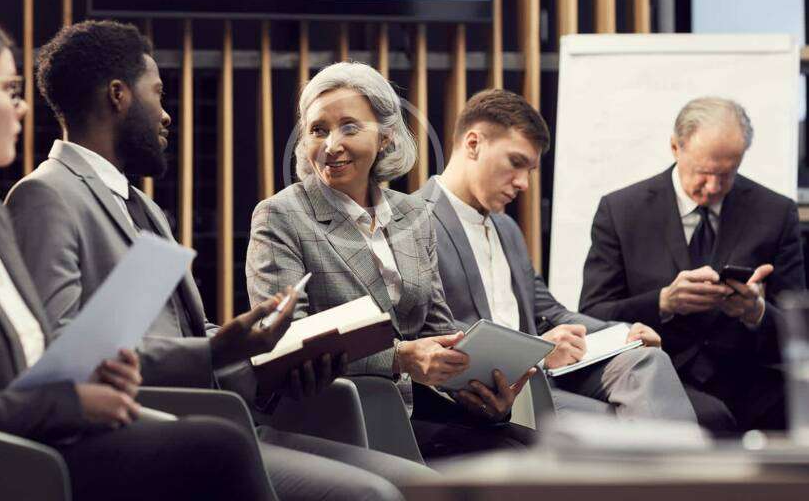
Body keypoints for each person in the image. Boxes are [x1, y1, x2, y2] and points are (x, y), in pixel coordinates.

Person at [6, 20, 429, 500]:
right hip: (149, 430)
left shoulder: (141, 205)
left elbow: (184, 334)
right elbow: (60, 353)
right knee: (371, 495)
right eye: (157, 94)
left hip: (222, 418)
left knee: (412, 487)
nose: (166, 114)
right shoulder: (46, 194)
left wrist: (271, 356)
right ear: (119, 95)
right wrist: (217, 349)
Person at [0, 9, 276, 501]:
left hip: (50, 432)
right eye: (9, 90)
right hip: (12, 458)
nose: (22, 109)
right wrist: (69, 403)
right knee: (221, 447)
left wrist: (98, 372)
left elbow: (32, 354)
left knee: (222, 444)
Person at [246, 62, 536, 459]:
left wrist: (479, 390)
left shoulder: (412, 216)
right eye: (318, 130)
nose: (331, 144)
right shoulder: (281, 215)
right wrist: (400, 358)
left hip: (416, 412)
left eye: (349, 127)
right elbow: (285, 343)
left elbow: (438, 328)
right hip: (339, 418)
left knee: (537, 451)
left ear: (385, 137)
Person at [418, 89, 698, 425]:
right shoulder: (415, 221)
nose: (524, 183)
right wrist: (537, 349)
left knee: (647, 359)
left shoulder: (507, 228)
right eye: (516, 163)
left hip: (541, 378)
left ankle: (672, 457)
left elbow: (549, 311)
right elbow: (428, 330)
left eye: (530, 170)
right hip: (484, 393)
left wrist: (624, 333)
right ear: (473, 144)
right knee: (624, 424)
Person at [579, 97, 806, 433]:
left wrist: (756, 312)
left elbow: (798, 327)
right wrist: (663, 302)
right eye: (703, 173)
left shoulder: (775, 212)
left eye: (726, 175)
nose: (713, 187)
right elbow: (592, 315)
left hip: (751, 383)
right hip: (661, 378)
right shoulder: (622, 211)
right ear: (675, 147)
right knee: (709, 418)